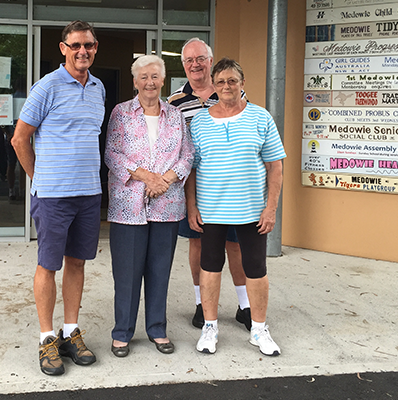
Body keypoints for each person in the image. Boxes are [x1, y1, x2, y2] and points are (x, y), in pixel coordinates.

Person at [11, 20, 105, 376]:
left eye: (89, 45)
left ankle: (70, 332)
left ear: (95, 48)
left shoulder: (97, 88)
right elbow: (20, 138)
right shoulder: (46, 87)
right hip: (54, 196)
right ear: (63, 48)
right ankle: (47, 338)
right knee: (48, 265)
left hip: (88, 193)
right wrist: (40, 177)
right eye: (76, 45)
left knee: (77, 263)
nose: (83, 51)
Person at [187, 57, 285, 357]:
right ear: (213, 86)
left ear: (242, 83)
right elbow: (192, 169)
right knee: (210, 267)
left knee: (256, 269)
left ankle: (259, 329)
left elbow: (275, 166)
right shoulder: (199, 122)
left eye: (232, 81)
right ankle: (210, 327)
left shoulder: (260, 117)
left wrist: (271, 208)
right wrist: (191, 206)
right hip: (211, 210)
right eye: (220, 82)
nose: (226, 86)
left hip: (251, 210)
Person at [105, 55, 194, 358]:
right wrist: (147, 177)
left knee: (159, 271)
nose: (149, 82)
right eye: (143, 77)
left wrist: (165, 180)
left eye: (155, 76)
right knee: (126, 274)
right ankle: (122, 332)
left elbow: (187, 155)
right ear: (135, 81)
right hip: (128, 207)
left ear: (163, 80)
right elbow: (112, 154)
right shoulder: (121, 113)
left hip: (166, 205)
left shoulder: (176, 115)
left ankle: (157, 328)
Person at [168, 38, 252, 331]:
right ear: (183, 65)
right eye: (189, 60)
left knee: (235, 245)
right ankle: (201, 304)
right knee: (197, 243)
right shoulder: (174, 102)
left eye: (200, 58)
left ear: (210, 60)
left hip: (231, 186)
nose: (195, 65)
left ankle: (245, 305)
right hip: (194, 186)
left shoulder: (231, 92)